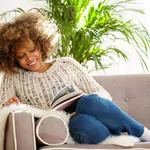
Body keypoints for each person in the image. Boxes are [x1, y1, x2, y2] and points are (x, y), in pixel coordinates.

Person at [0, 12, 150, 145]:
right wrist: (9, 105)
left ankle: (142, 132)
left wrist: (78, 105)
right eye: (21, 56)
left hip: (91, 117)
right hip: (64, 129)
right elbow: (2, 111)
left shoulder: (67, 64)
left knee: (88, 102)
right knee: (81, 122)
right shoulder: (13, 76)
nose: (29, 58)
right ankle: (113, 137)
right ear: (12, 58)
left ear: (41, 43)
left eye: (32, 50)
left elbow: (103, 95)